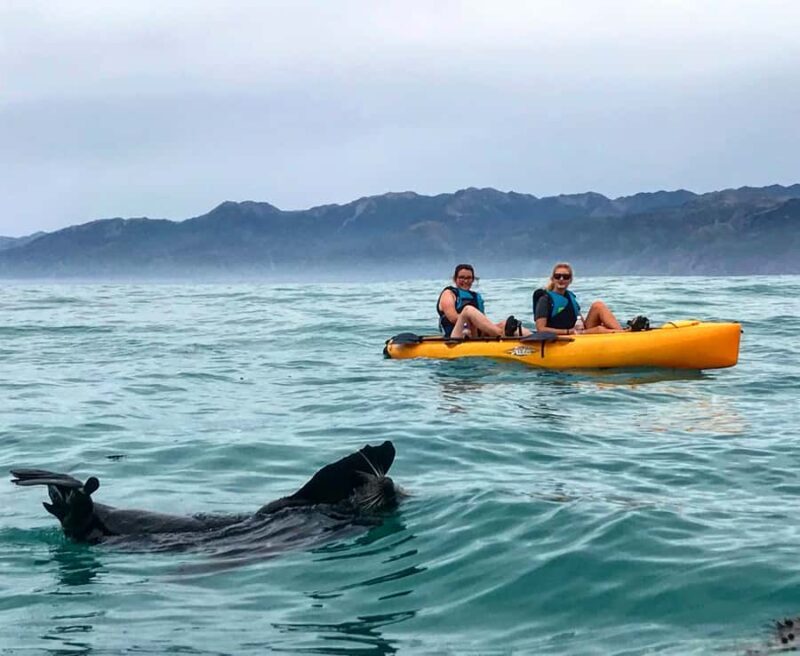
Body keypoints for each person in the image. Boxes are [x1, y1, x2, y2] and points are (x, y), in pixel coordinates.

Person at [437, 264, 530, 338]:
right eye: (462, 277)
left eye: (469, 278)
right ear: (455, 279)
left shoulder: (477, 297)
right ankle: (502, 335)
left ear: (473, 280)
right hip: (455, 336)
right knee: (468, 310)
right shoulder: (448, 293)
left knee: (505, 324)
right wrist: (472, 323)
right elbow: (453, 318)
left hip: (475, 335)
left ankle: (532, 339)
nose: (465, 281)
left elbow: (482, 321)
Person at [533, 262, 625, 335]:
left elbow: (581, 323)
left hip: (578, 333)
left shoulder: (570, 297)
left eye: (566, 277)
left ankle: (622, 332)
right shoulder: (545, 299)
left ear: (570, 280)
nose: (561, 279)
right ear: (552, 279)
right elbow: (541, 329)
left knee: (598, 305)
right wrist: (568, 331)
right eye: (557, 276)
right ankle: (622, 334)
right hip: (563, 336)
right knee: (599, 329)